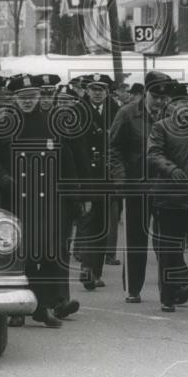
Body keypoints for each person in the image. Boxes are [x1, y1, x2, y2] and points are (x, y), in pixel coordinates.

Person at [0, 75, 80, 327]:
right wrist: (4, 179)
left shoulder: (51, 123)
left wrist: (74, 196)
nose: (27, 102)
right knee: (20, 254)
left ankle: (44, 305)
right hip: (17, 200)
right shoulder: (5, 124)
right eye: (22, 98)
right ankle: (17, 307)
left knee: (48, 254)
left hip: (48, 201)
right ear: (14, 99)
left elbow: (67, 162)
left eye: (32, 97)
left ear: (39, 97)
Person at [108, 71, 175, 302]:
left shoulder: (172, 115)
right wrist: (121, 179)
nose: (159, 102)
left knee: (167, 240)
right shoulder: (126, 114)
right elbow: (113, 149)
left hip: (165, 187)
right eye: (155, 96)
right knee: (135, 240)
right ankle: (133, 289)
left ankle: (170, 291)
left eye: (163, 98)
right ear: (145, 93)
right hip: (136, 186)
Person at [147, 81, 188, 312]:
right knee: (169, 249)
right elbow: (154, 154)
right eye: (182, 101)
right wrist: (171, 169)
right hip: (169, 197)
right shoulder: (161, 127)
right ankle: (168, 295)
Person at [73, 74, 119, 291]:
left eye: (101, 89)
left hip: (108, 175)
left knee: (103, 223)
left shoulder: (115, 111)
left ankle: (96, 271)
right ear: (87, 90)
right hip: (87, 174)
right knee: (89, 222)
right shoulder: (79, 111)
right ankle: (88, 269)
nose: (98, 93)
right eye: (94, 89)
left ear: (107, 91)